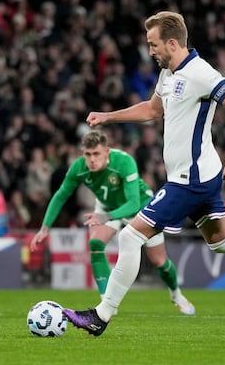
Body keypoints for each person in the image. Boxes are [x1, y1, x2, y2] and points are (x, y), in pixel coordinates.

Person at [62, 11, 225, 336]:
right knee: (223, 242)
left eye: (154, 44)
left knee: (131, 236)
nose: (150, 51)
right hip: (195, 175)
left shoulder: (201, 73)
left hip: (192, 178)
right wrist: (108, 117)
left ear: (172, 42)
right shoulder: (168, 73)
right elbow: (152, 109)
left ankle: (101, 315)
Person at [30, 130, 195, 315]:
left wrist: (104, 217)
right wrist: (44, 228)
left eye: (96, 154)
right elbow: (61, 195)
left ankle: (176, 294)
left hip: (141, 207)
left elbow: (132, 203)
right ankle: (106, 303)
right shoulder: (79, 167)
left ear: (106, 152)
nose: (92, 159)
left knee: (159, 261)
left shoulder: (124, 162)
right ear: (82, 153)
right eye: (88, 154)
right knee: (95, 243)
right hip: (107, 206)